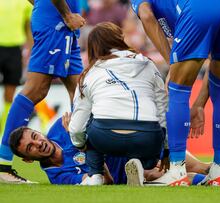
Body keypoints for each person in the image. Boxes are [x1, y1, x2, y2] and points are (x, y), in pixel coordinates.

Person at [131, 0, 220, 186]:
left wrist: (172, 63)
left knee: (177, 89)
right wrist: (199, 103)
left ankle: (177, 170)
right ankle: (218, 170)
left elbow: (146, 16)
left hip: (200, 6)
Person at [8, 116, 220, 187]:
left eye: (35, 136)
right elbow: (104, 184)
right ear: (27, 158)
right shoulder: (58, 177)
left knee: (206, 167)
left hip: (141, 148)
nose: (39, 143)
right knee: (190, 176)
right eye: (31, 147)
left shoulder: (63, 128)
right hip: (135, 176)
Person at [68, 22, 166, 185]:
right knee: (148, 133)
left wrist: (80, 144)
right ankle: (143, 165)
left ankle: (95, 175)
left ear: (93, 47)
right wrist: (166, 149)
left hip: (106, 137)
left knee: (87, 121)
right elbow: (163, 106)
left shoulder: (90, 74)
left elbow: (77, 126)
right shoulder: (147, 63)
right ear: (121, 39)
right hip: (148, 138)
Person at [0, 0, 85, 183]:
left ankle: (89, 159)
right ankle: (3, 165)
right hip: (58, 21)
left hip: (63, 21)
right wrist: (66, 15)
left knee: (80, 92)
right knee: (36, 90)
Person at [0, 0, 32, 136]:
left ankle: (2, 132)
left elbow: (27, 27)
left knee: (10, 91)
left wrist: (30, 49)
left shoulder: (24, 2)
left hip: (15, 49)